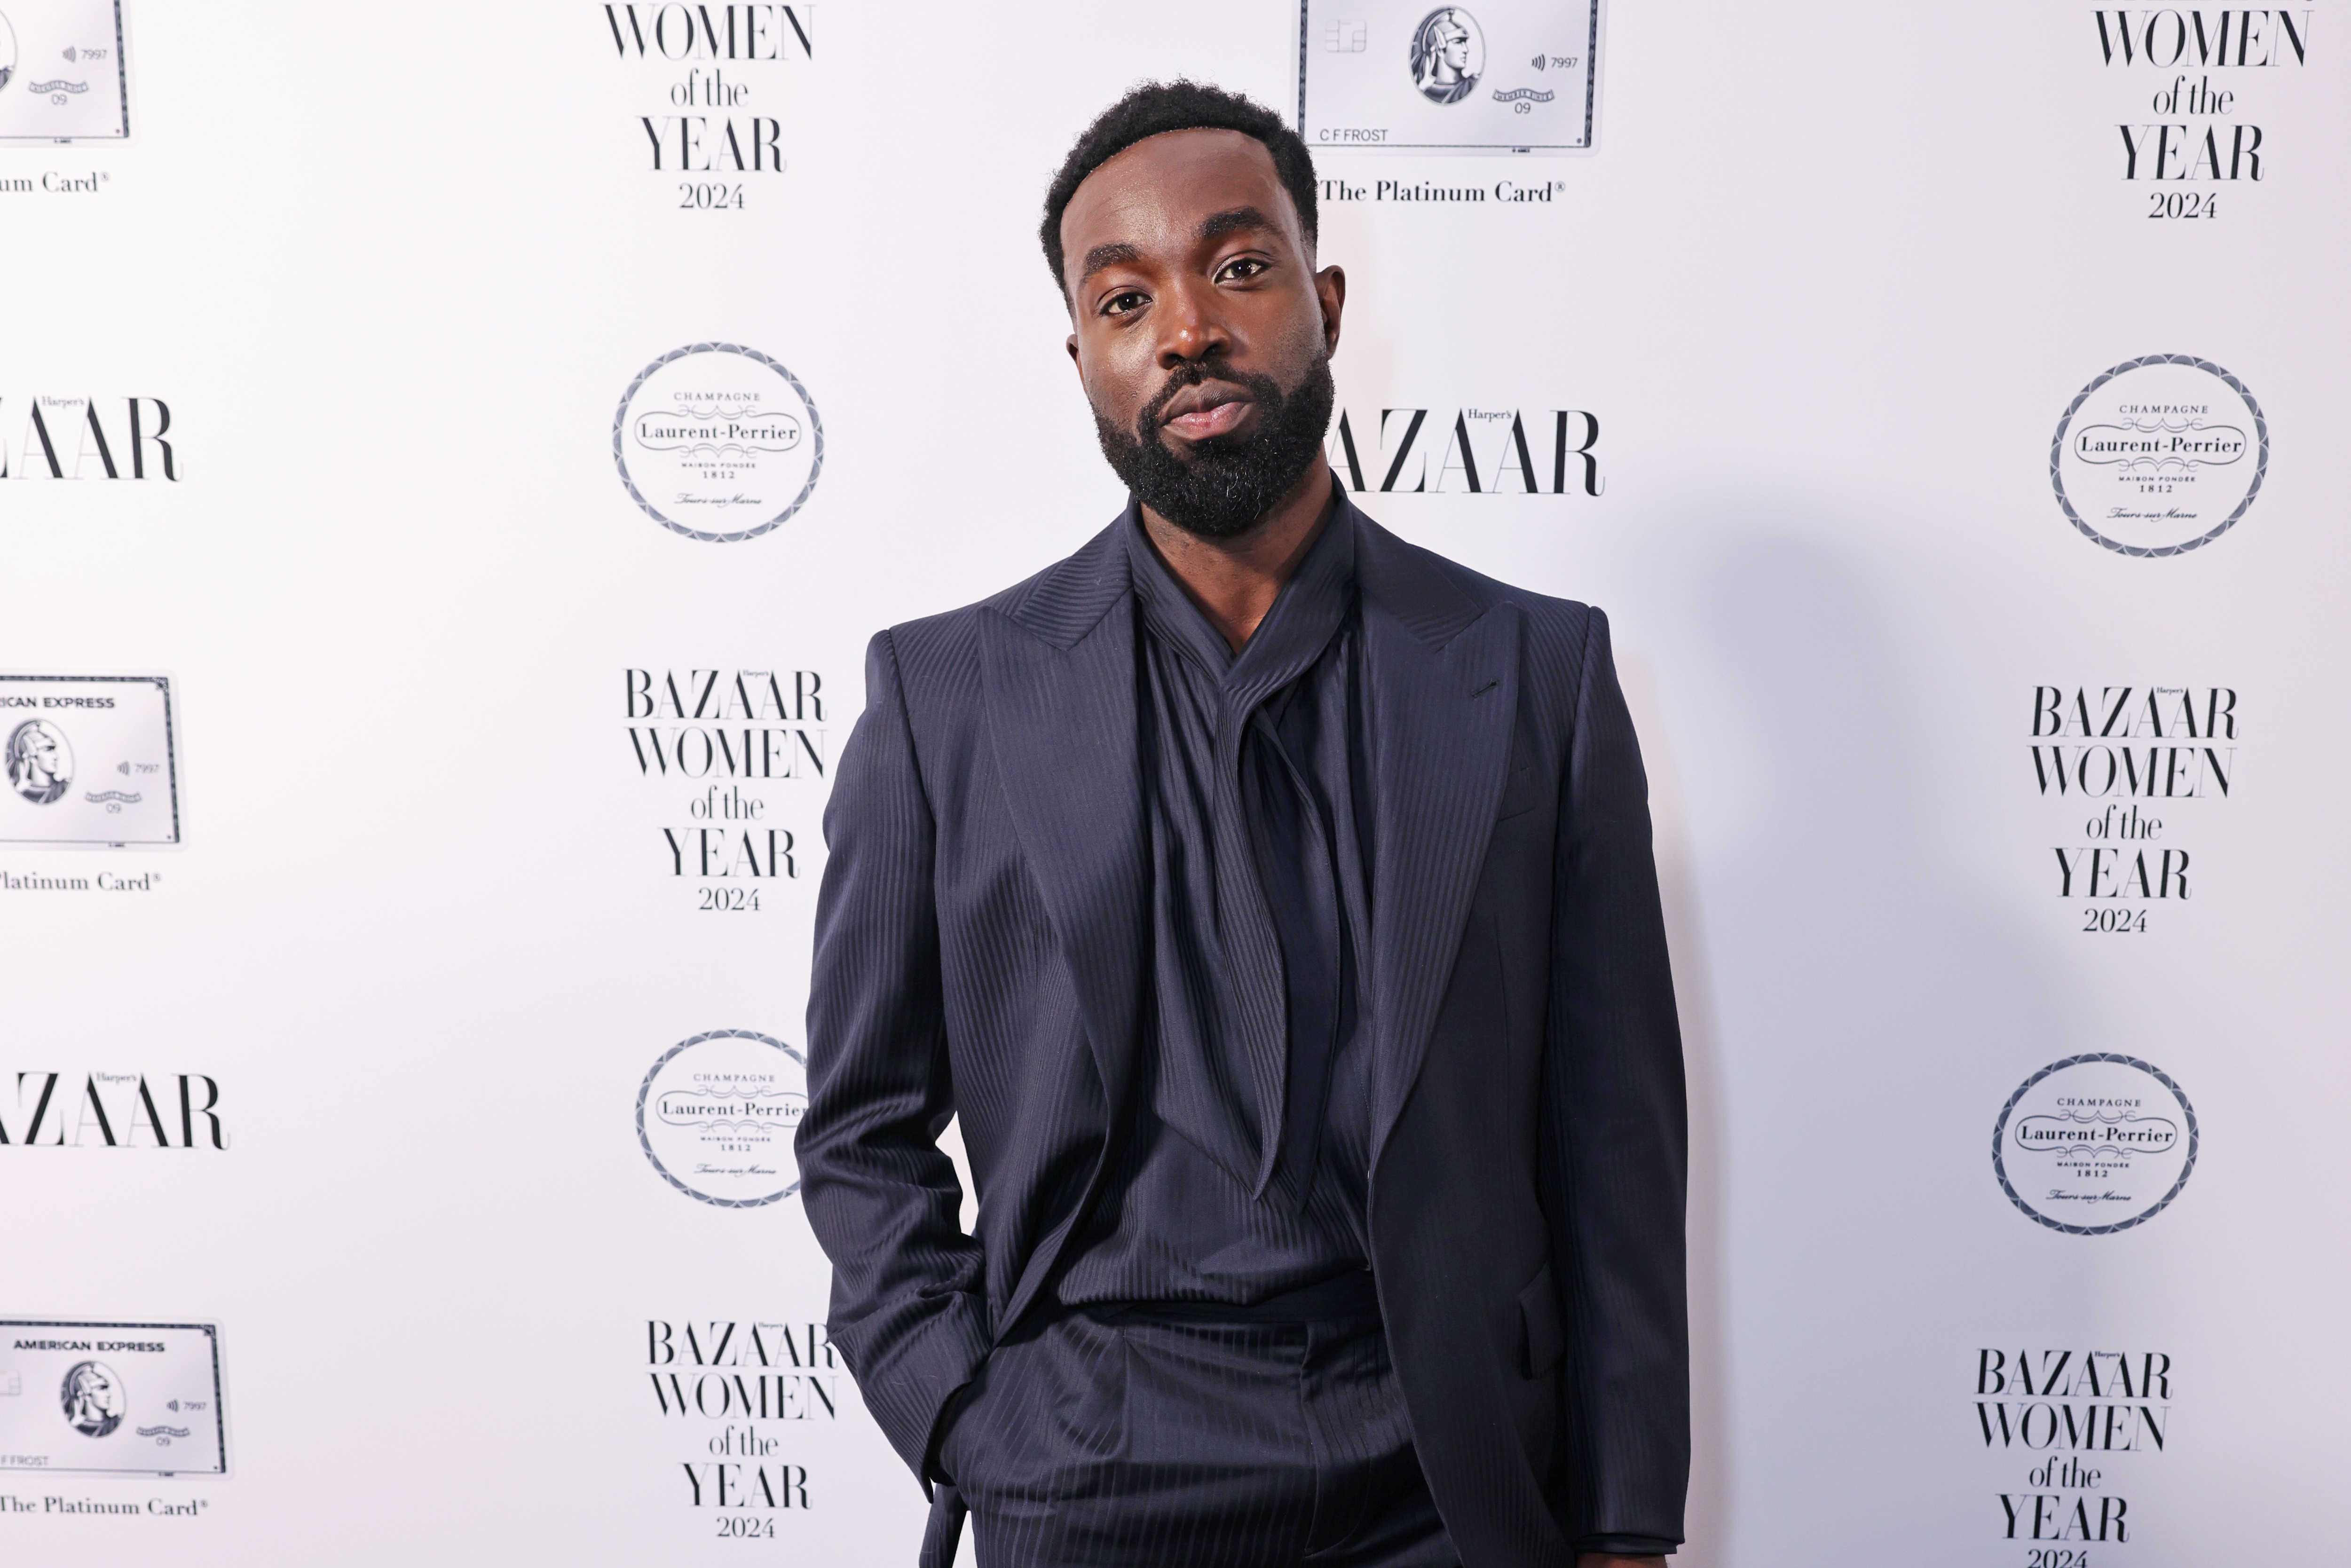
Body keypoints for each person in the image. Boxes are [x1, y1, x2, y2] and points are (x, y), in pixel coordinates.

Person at [797, 81, 1687, 1568]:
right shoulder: (945, 698)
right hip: (1089, 1464)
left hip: (1450, 1475)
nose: (1189, 328)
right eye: (1126, 297)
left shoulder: (1538, 675)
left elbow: (1613, 1133)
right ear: (1084, 358)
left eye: (1240, 266)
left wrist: (1624, 1519)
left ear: (1325, 302)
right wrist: (963, 1416)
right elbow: (860, 1126)